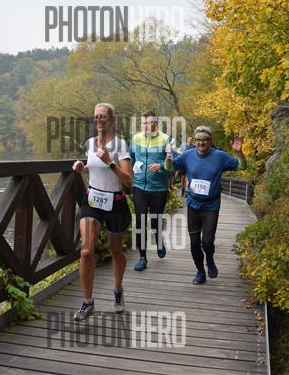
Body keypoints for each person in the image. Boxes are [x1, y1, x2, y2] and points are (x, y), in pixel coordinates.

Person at [72, 103, 133, 321]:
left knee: (116, 251)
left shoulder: (120, 145)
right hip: (92, 201)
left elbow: (128, 180)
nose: (99, 120)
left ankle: (118, 290)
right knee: (86, 251)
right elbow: (93, 167)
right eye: (96, 117)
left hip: (115, 203)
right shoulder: (90, 143)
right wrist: (83, 168)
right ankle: (87, 302)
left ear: (112, 120)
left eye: (103, 117)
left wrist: (110, 162)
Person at [165, 126, 247, 285]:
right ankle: (200, 271)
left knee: (207, 242)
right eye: (198, 140)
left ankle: (209, 258)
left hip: (211, 205)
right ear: (195, 140)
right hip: (193, 204)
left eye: (204, 140)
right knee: (194, 243)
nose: (201, 143)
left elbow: (242, 166)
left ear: (210, 141)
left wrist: (239, 153)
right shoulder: (188, 155)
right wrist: (168, 155)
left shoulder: (219, 156)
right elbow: (169, 167)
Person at [130, 110, 172, 271]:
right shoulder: (136, 139)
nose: (146, 126)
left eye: (149, 123)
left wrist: (161, 165)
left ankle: (159, 239)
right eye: (143, 123)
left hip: (158, 188)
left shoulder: (166, 139)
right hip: (139, 186)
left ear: (156, 123)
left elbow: (173, 164)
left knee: (155, 221)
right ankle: (142, 257)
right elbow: (131, 159)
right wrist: (132, 175)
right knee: (140, 221)